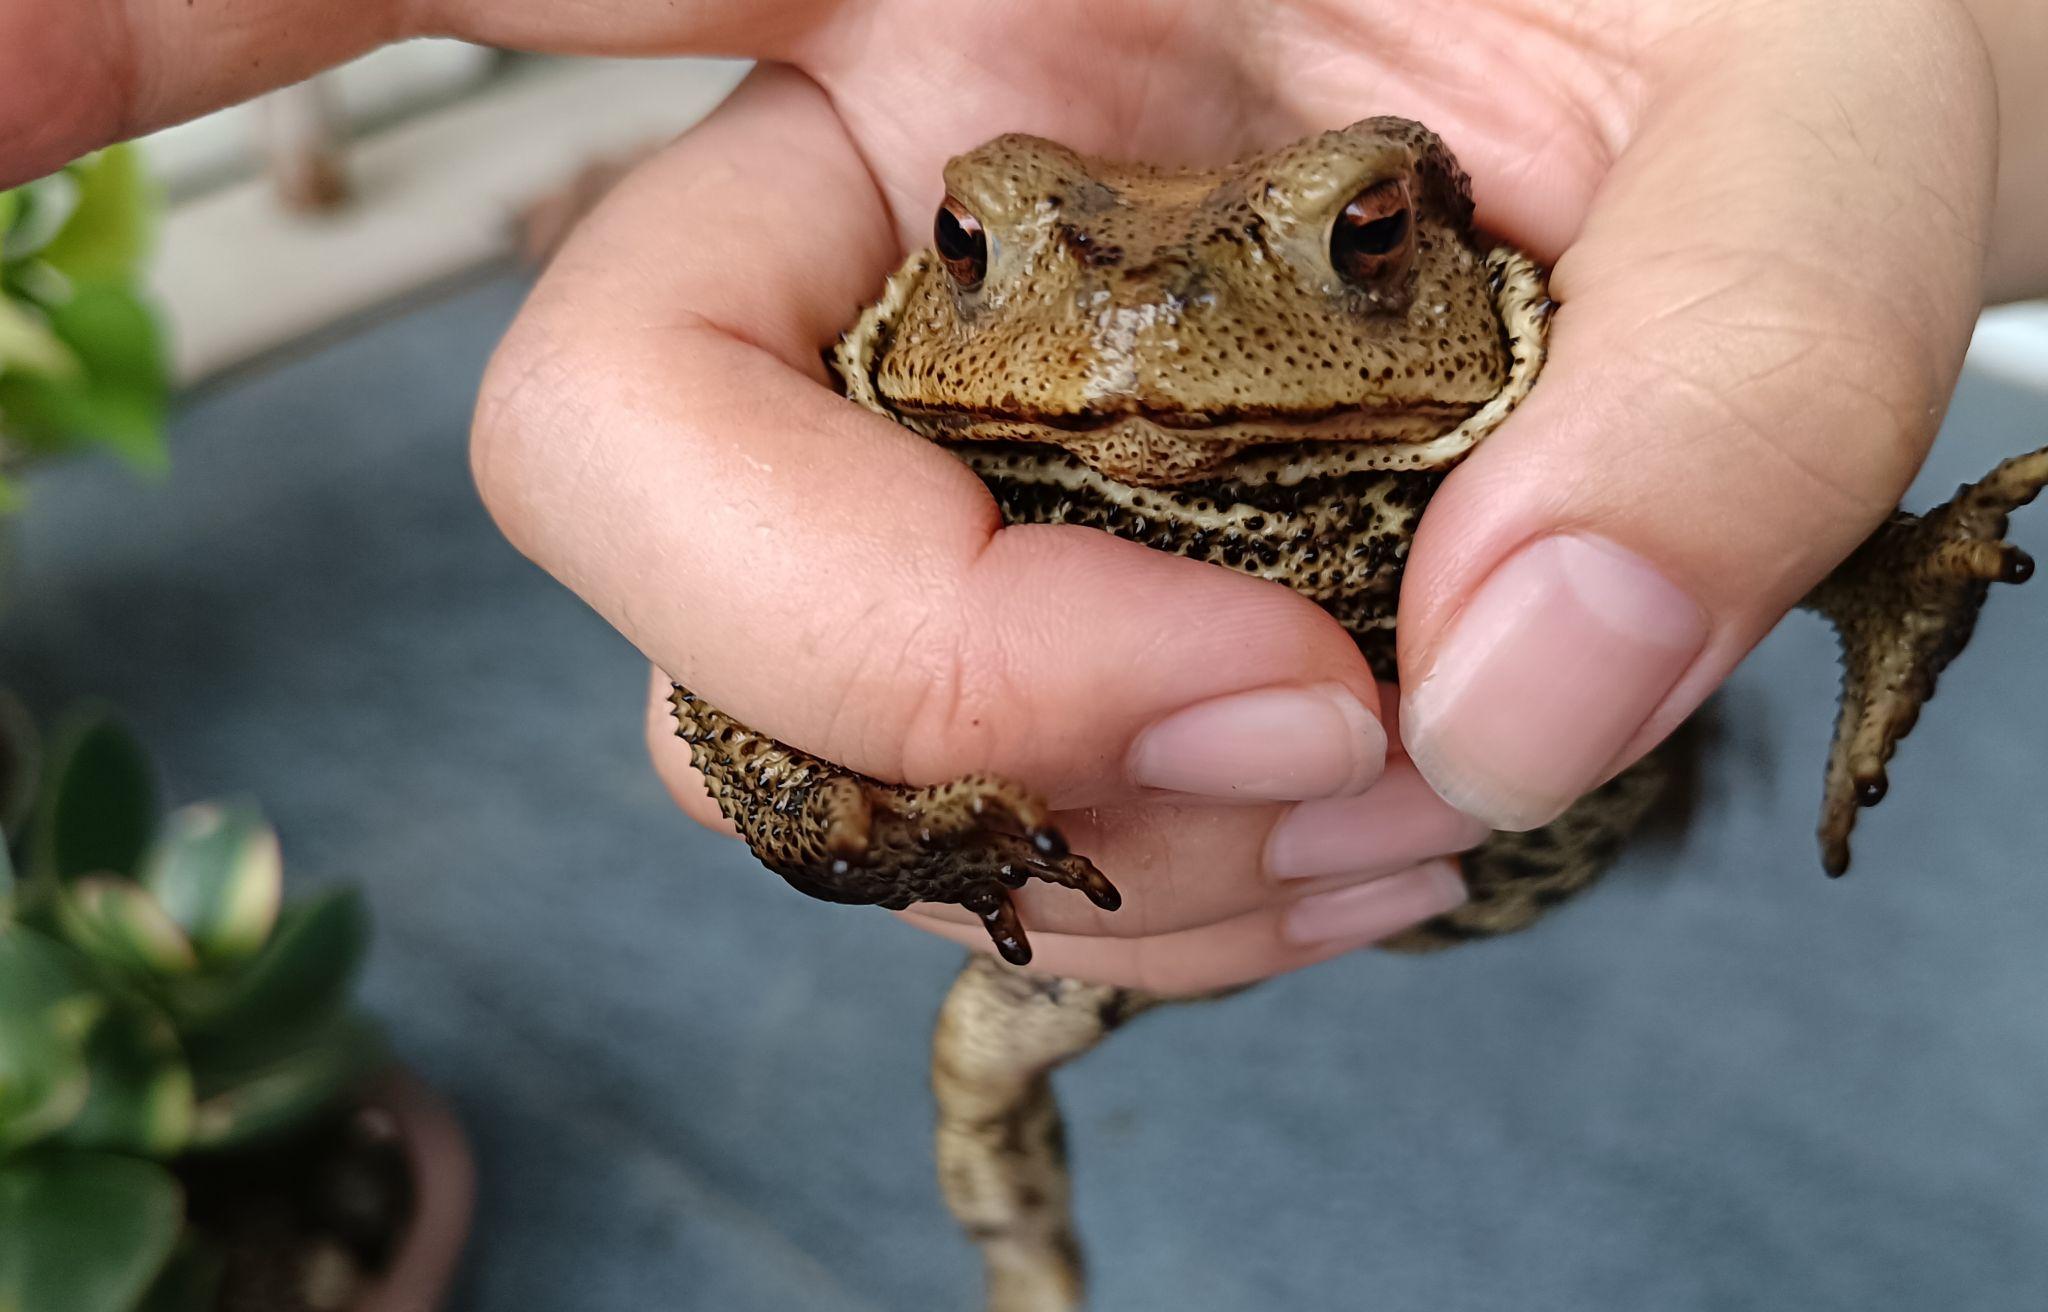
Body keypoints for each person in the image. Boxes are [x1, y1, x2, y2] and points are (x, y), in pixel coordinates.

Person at [6, 0, 2042, 993]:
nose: (1149, 328)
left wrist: (1884, 559)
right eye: (978, 246)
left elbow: (1739, 429)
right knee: (993, 1083)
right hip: (1154, 913)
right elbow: (744, 692)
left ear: (1427, 245)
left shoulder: (1524, 321)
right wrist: (860, 828)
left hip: (1502, 812)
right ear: (935, 267)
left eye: (1361, 238)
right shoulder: (912, 408)